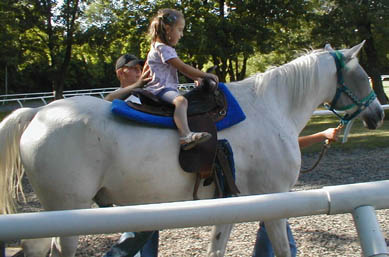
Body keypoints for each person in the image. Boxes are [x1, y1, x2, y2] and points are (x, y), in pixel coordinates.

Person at [252, 127, 341, 257]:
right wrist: (322, 135)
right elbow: (292, 143)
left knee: (274, 222)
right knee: (273, 222)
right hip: (275, 181)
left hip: (276, 180)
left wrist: (323, 135)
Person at [103, 54, 158, 257]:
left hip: (145, 164)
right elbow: (107, 100)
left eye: (139, 68)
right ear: (120, 72)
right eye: (133, 68)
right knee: (145, 222)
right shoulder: (120, 95)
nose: (138, 71)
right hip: (126, 168)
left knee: (149, 221)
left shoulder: (144, 93)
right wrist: (139, 85)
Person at [144, 8, 219, 150]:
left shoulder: (162, 48)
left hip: (165, 88)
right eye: (180, 30)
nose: (182, 34)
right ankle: (185, 135)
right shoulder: (162, 48)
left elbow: (180, 68)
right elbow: (183, 67)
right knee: (181, 101)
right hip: (160, 89)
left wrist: (196, 78)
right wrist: (205, 75)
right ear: (167, 29)